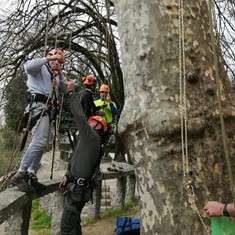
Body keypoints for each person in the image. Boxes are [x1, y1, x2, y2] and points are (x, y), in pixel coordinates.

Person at [10, 48, 67, 193]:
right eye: (53, 58)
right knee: (39, 140)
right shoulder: (39, 67)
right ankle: (21, 172)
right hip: (38, 107)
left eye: (58, 60)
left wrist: (59, 72)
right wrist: (49, 59)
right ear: (47, 57)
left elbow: (65, 90)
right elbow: (27, 66)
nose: (55, 62)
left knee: (43, 144)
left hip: (48, 110)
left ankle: (31, 172)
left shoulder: (54, 76)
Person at [59, 79, 107, 235]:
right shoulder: (89, 142)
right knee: (74, 225)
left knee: (66, 228)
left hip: (78, 191)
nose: (90, 123)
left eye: (93, 122)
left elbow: (79, 116)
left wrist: (71, 93)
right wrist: (68, 176)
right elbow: (76, 160)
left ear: (99, 128)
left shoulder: (92, 138)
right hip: (77, 188)